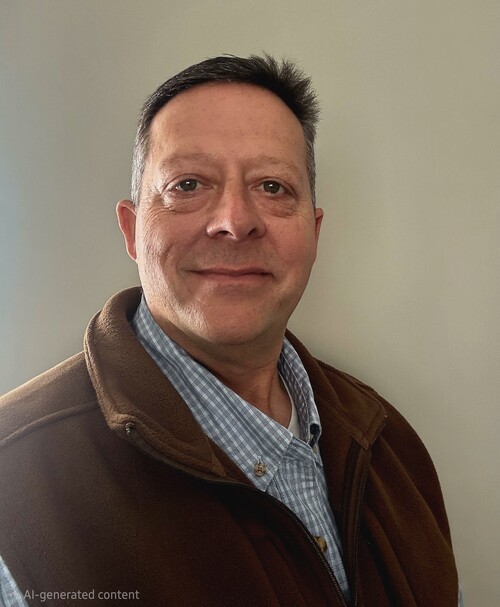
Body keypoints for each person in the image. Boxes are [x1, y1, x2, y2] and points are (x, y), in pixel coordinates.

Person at [0, 55, 461, 607]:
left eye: (273, 186)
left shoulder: (392, 445)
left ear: (313, 232)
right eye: (188, 184)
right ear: (132, 229)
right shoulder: (15, 483)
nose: (235, 222)